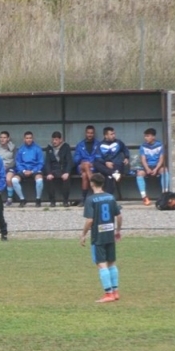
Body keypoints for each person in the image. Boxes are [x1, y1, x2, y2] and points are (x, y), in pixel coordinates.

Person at [79, 174, 122, 303]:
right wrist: (118, 231)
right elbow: (119, 216)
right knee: (111, 263)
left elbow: (90, 220)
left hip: (98, 236)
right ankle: (115, 292)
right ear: (102, 184)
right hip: (110, 234)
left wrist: (83, 234)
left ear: (92, 183)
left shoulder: (90, 199)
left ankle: (108, 294)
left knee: (101, 264)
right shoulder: (110, 197)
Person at [133, 128, 168, 207]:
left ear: (153, 137)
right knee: (139, 174)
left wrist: (156, 169)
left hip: (157, 166)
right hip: (147, 166)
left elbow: (161, 159)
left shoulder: (160, 145)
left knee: (165, 170)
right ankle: (144, 197)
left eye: (148, 136)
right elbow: (143, 159)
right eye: (145, 136)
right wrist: (147, 169)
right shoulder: (143, 146)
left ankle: (164, 194)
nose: (146, 138)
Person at [12, 131, 45, 207]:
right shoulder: (21, 149)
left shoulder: (37, 148)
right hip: (23, 170)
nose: (29, 140)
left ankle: (38, 199)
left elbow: (41, 162)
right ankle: (22, 199)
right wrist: (23, 170)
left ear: (32, 139)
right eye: (27, 138)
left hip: (34, 170)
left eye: (30, 138)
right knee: (14, 180)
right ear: (24, 139)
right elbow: (18, 162)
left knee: (39, 180)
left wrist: (33, 171)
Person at [96, 127, 130, 196]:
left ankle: (108, 196)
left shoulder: (119, 142)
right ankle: (113, 173)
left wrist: (126, 157)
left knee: (109, 176)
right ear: (106, 136)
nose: (114, 135)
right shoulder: (100, 145)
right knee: (96, 163)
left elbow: (125, 149)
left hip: (117, 164)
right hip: (106, 165)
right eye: (111, 134)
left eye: (114, 133)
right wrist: (105, 162)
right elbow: (98, 157)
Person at [43, 131, 73, 207]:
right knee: (49, 179)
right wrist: (49, 173)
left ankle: (65, 201)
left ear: (60, 140)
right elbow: (47, 162)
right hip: (53, 169)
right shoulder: (49, 148)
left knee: (66, 179)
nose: (54, 141)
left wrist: (67, 172)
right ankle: (52, 201)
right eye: (53, 139)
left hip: (63, 169)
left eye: (56, 139)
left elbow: (69, 161)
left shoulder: (66, 147)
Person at [73, 125, 101, 195]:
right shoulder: (80, 145)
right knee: (86, 164)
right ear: (85, 133)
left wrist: (93, 163)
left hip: (93, 167)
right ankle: (95, 188)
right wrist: (80, 161)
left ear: (94, 134)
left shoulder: (98, 144)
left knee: (85, 175)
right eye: (88, 133)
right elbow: (75, 159)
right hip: (81, 167)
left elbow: (100, 157)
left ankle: (84, 198)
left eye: (91, 133)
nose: (90, 135)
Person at [0, 131, 16, 201]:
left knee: (8, 179)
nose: (2, 139)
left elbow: (15, 160)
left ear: (8, 138)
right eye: (1, 137)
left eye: (4, 137)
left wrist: (8, 166)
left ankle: (10, 198)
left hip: (10, 168)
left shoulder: (13, 148)